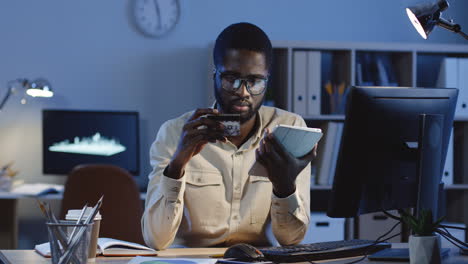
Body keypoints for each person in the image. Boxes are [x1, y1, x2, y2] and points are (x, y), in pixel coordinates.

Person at [142, 22, 316, 250]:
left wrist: (285, 186)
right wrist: (177, 164)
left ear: (267, 80)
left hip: (258, 259)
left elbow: (291, 240)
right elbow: (156, 239)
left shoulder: (289, 129)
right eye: (230, 78)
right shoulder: (174, 133)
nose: (242, 92)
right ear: (215, 75)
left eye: (254, 81)